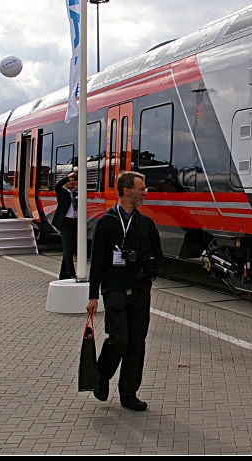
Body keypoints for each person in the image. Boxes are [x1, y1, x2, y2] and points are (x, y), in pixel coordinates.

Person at [86, 171, 162, 412]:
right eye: (141, 188)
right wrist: (93, 295)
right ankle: (102, 375)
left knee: (136, 343)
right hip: (115, 289)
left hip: (140, 290)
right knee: (119, 339)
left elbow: (158, 255)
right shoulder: (106, 223)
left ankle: (129, 393)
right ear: (126, 191)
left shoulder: (146, 224)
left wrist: (150, 274)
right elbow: (97, 261)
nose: (145, 192)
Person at [52, 171, 80, 280]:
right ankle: (71, 273)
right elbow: (57, 186)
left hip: (73, 222)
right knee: (68, 248)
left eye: (73, 181)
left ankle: (63, 274)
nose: (72, 183)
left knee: (70, 248)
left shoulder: (74, 194)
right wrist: (67, 178)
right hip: (65, 222)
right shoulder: (62, 192)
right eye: (70, 182)